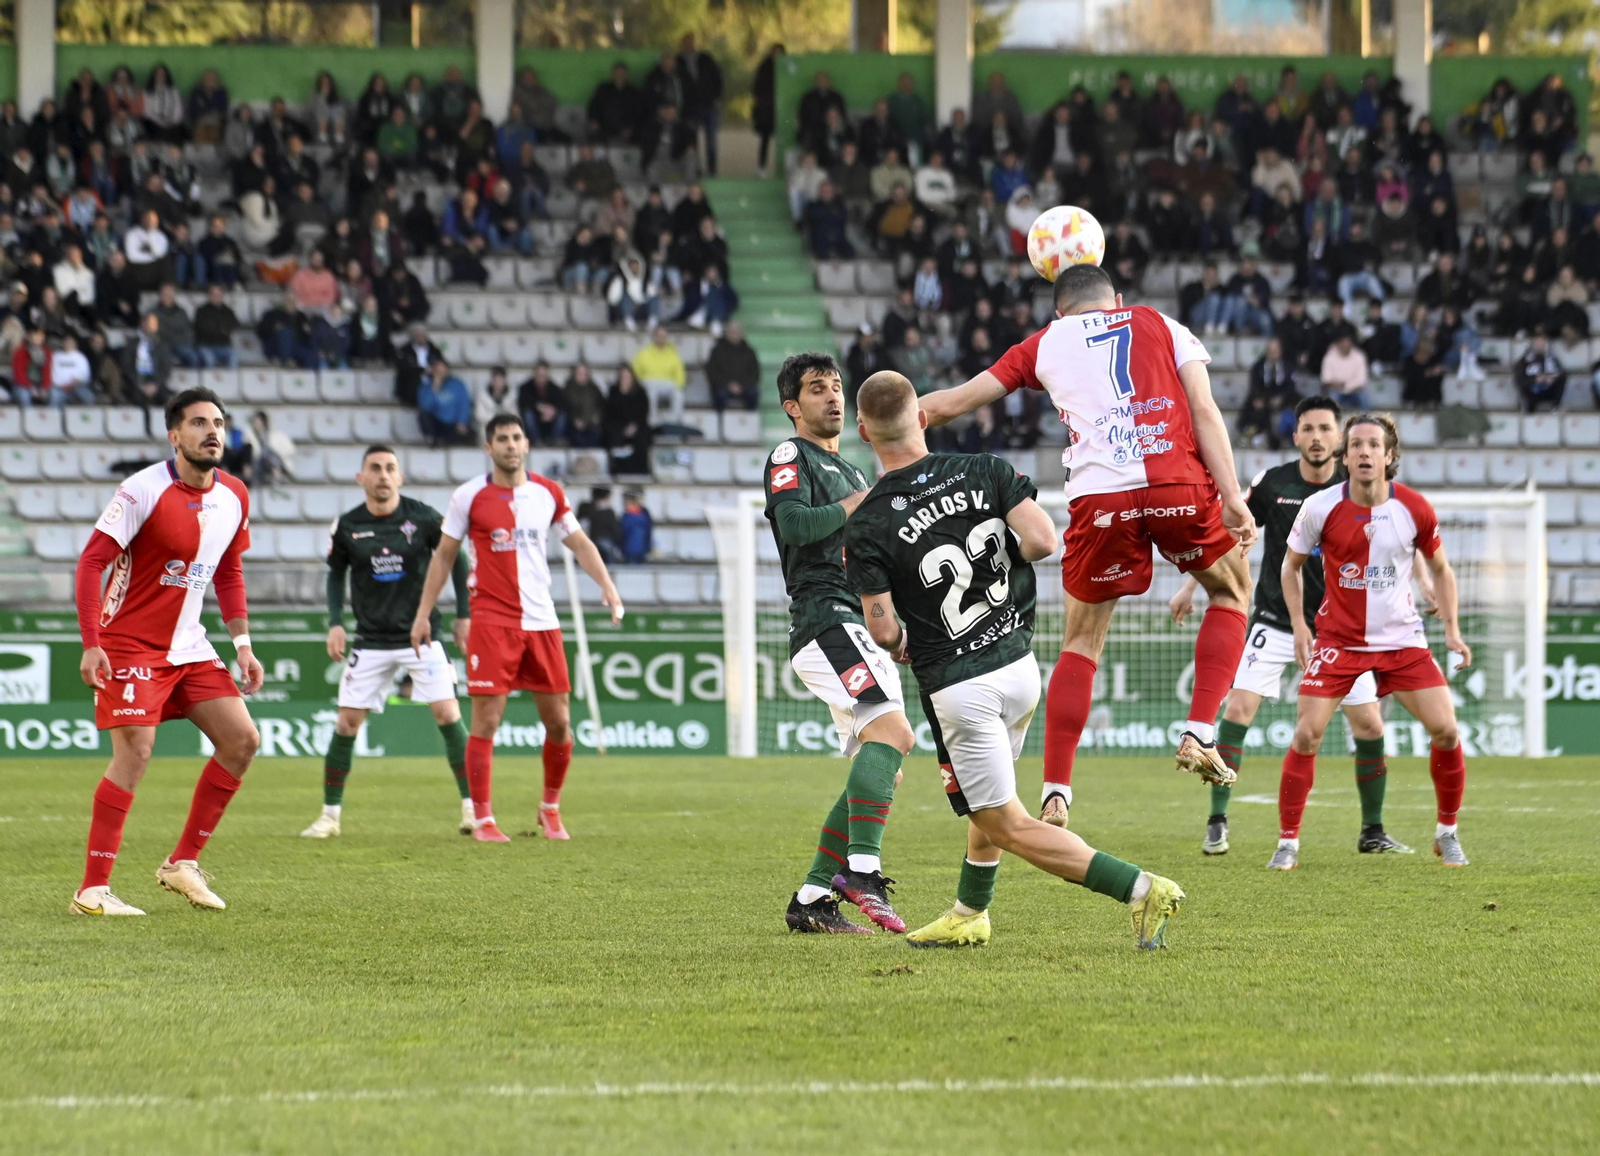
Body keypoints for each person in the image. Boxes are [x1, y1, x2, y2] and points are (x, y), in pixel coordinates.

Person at [845, 371, 1186, 950]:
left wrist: (902, 634)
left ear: (864, 432)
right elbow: (1042, 540)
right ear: (922, 417)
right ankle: (969, 911)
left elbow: (881, 629)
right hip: (1018, 666)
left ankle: (1142, 887)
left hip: (959, 684)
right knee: (990, 802)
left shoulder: (869, 520)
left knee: (1005, 819)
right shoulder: (986, 469)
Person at [919, 263, 1256, 824]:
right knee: (1231, 593)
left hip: (1100, 500)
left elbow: (957, 401)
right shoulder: (1164, 324)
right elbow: (1204, 411)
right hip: (1177, 483)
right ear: (1117, 299)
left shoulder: (1043, 342)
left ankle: (1057, 792)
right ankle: (1200, 731)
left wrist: (892, 419)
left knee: (1082, 641)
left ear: (1059, 311)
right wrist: (1233, 495)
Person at [1171, 395, 1418, 856]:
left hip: (1342, 630)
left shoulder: (1358, 485)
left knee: (1368, 725)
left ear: (1340, 440)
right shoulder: (1273, 483)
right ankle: (1217, 820)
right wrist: (1192, 585)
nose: (1318, 438)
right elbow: (1233, 529)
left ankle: (1373, 831)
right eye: (1309, 429)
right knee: (1238, 712)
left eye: (1327, 429)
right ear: (1296, 436)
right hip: (1275, 620)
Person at [70, 388, 264, 916]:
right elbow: (91, 564)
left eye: (219, 422)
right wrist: (92, 644)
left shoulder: (235, 495)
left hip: (189, 645)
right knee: (135, 753)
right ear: (174, 435)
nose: (212, 432)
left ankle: (182, 863)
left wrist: (242, 645)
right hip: (129, 642)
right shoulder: (141, 490)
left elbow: (228, 570)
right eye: (199, 422)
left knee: (243, 740)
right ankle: (91, 891)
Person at [410, 415, 624, 842]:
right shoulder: (468, 496)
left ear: (526, 444)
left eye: (516, 438)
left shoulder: (548, 493)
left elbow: (579, 541)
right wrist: (423, 613)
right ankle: (484, 819)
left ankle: (550, 809)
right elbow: (443, 557)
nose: (511, 445)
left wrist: (607, 586)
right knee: (486, 721)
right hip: (492, 621)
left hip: (542, 621)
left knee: (560, 723)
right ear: (488, 448)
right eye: (502, 439)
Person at [1274, 415, 1473, 870]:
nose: (1364, 452)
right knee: (1307, 735)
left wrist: (1453, 631)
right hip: (1339, 641)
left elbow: (1441, 569)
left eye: (1373, 445)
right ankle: (1287, 843)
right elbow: (1290, 567)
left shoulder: (1415, 508)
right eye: (1356, 445)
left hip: (1402, 640)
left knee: (1445, 729)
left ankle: (1447, 833)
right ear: (1345, 458)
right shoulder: (1320, 507)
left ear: (1389, 456)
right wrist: (1301, 627)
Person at [763, 353, 915, 935]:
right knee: (894, 735)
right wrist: (863, 502)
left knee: (883, 767)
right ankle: (863, 871)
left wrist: (893, 624)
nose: (831, 398)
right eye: (816, 389)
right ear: (792, 407)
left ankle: (811, 899)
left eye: (836, 388)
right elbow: (796, 525)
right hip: (824, 619)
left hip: (856, 623)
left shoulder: (853, 473)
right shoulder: (788, 455)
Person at [302, 446, 474, 840]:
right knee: (346, 723)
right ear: (361, 477)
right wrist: (335, 623)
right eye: (375, 468)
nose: (383, 475)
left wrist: (464, 613)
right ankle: (329, 816)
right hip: (371, 638)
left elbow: (456, 558)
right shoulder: (347, 525)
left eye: (390, 468)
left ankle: (474, 809)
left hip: (422, 635)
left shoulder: (424, 517)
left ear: (400, 477)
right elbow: (335, 574)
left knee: (448, 715)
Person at [632, 324, 686, 426]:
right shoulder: (644, 353)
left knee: (678, 393)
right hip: (648, 382)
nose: (661, 338)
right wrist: (639, 384)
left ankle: (674, 421)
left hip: (666, 383)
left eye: (664, 336)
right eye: (659, 335)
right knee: (651, 392)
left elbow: (679, 373)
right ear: (654, 337)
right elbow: (635, 370)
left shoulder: (673, 354)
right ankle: (651, 420)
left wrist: (679, 385)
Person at [417, 357, 474, 446]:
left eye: (442, 370)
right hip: (438, 423)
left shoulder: (457, 385)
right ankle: (433, 439)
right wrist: (434, 389)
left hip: (453, 424)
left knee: (468, 434)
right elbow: (425, 407)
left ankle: (445, 441)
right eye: (438, 370)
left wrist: (462, 421)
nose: (440, 373)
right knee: (423, 416)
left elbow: (464, 404)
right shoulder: (426, 387)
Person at [706, 320, 760, 414]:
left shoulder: (749, 352)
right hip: (723, 386)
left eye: (737, 332)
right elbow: (712, 372)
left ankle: (749, 422)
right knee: (719, 395)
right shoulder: (717, 351)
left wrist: (742, 385)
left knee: (753, 393)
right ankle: (719, 422)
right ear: (726, 333)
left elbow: (755, 374)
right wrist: (728, 385)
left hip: (744, 386)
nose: (734, 335)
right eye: (732, 332)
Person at [1515, 334, 1567, 411]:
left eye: (1542, 343)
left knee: (1562, 379)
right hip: (1532, 391)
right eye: (1537, 344)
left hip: (1548, 389)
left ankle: (1556, 406)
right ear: (1533, 345)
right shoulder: (1524, 361)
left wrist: (1552, 378)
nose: (1540, 346)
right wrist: (1535, 379)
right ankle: (1529, 407)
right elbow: (1519, 378)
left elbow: (1560, 372)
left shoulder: (1552, 358)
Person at [1319, 331, 1368, 410]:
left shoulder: (1359, 356)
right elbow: (1326, 379)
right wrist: (1340, 385)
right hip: (1335, 391)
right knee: (1332, 397)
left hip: (1354, 391)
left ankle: (1366, 420)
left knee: (1363, 398)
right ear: (1338, 343)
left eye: (1348, 342)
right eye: (1343, 342)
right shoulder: (1329, 357)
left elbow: (1361, 381)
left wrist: (1344, 385)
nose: (1346, 345)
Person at [194, 283, 240, 368]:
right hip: (206, 345)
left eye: (219, 295)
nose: (217, 297)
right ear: (209, 295)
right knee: (209, 360)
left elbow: (234, 324)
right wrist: (221, 329)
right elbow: (202, 328)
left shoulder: (227, 311)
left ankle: (229, 381)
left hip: (224, 345)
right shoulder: (202, 311)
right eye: (214, 295)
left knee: (233, 357)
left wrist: (219, 329)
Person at [620, 490, 653, 563]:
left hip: (630, 550)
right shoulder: (645, 515)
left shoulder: (627, 517)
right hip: (641, 550)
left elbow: (622, 534)